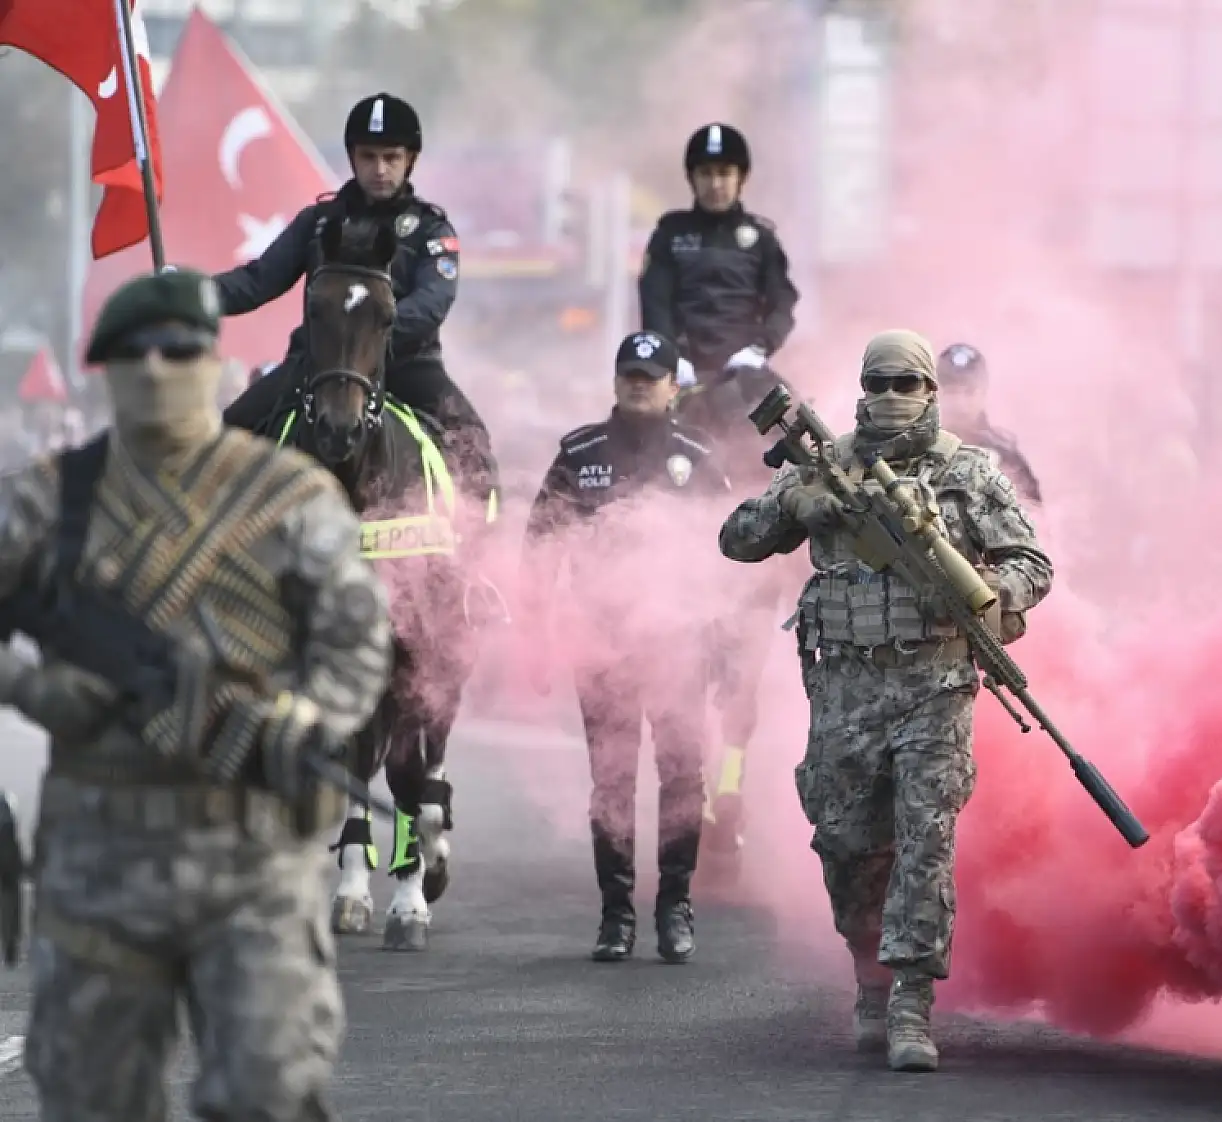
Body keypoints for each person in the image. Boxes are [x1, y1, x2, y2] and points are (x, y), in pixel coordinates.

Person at [0, 268, 393, 1120]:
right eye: (132, 352)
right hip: (99, 860)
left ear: (213, 361)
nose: (155, 370)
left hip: (252, 856)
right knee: (92, 1099)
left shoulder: (288, 497)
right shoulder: (46, 499)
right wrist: (34, 687)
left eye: (178, 351)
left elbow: (359, 642)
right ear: (103, 366)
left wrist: (306, 715)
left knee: (269, 1094)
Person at [717, 330, 1053, 1072]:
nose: (893, 397)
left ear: (931, 393)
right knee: (846, 845)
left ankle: (909, 1002)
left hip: (935, 683)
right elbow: (735, 540)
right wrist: (795, 508)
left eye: (909, 383)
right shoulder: (827, 465)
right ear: (862, 390)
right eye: (881, 383)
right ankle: (869, 972)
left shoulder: (968, 472)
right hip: (844, 687)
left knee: (925, 839)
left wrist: (1000, 599)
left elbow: (1032, 560)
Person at [525, 330, 730, 965]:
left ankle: (675, 905)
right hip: (604, 646)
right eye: (631, 374)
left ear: (675, 385)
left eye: (653, 374)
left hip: (679, 645)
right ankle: (616, 916)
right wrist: (538, 636)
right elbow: (538, 548)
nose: (640, 383)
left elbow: (730, 557)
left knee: (682, 780)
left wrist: (727, 645)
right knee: (611, 783)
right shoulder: (578, 453)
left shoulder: (698, 457)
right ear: (616, 382)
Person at [213, 92, 499, 508]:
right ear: (352, 158)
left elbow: (434, 300)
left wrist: (371, 333)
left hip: (407, 364)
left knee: (474, 448)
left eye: (391, 157)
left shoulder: (430, 229)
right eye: (368, 156)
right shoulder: (317, 223)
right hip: (315, 366)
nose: (379, 169)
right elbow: (258, 281)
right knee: (227, 433)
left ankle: (480, 559)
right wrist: (190, 293)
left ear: (409, 159)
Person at [638, 122, 800, 449]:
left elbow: (782, 302)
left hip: (743, 367)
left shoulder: (761, 239)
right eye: (706, 173)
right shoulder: (670, 234)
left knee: (796, 431)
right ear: (692, 178)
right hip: (682, 371)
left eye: (724, 173)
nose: (715, 184)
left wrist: (758, 349)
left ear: (741, 178)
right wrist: (672, 359)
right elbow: (654, 301)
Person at [935, 343, 1042, 503]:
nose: (959, 403)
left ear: (983, 393)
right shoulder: (916, 449)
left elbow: (1034, 519)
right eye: (951, 391)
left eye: (969, 392)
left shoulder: (1006, 458)